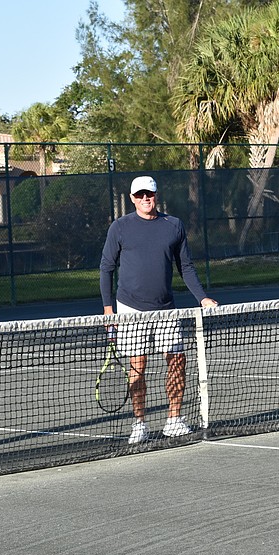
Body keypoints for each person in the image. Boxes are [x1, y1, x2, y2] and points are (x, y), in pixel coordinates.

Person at [100, 175, 218, 444]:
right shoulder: (119, 228)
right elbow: (106, 268)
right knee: (137, 366)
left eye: (149, 194)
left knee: (177, 361)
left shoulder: (173, 225)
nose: (145, 199)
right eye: (140, 195)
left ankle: (174, 420)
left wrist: (202, 298)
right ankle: (139, 423)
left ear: (156, 195)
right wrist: (109, 310)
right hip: (129, 307)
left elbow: (185, 266)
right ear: (132, 199)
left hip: (166, 309)